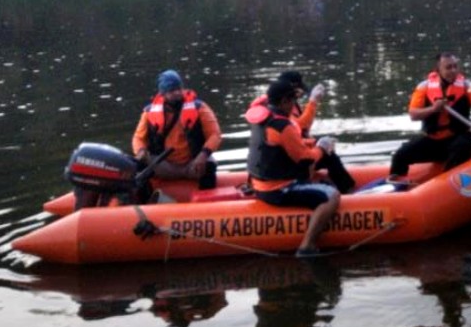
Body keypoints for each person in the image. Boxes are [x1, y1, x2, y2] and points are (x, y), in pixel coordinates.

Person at [244, 74, 345, 257]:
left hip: (259, 185)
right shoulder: (282, 126)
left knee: (321, 181)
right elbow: (306, 159)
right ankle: (307, 246)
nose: (294, 105)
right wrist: (322, 147)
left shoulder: (265, 118)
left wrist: (312, 144)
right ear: (284, 101)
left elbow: (284, 147)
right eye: (292, 100)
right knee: (332, 195)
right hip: (277, 189)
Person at [246, 70, 354, 193]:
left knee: (323, 149)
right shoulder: (280, 121)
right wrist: (321, 147)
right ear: (286, 98)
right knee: (328, 156)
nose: (299, 95)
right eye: (295, 94)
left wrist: (313, 143)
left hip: (270, 169)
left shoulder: (270, 110)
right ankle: (348, 193)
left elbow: (295, 133)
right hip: (280, 177)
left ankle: (344, 188)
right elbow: (302, 146)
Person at [388, 52, 471, 181]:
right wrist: (433, 109)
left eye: (455, 66)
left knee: (461, 147)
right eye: (448, 67)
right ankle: (397, 185)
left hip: (458, 137)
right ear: (438, 69)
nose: (453, 71)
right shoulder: (424, 87)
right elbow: (413, 114)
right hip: (433, 140)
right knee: (400, 155)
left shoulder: (466, 86)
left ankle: (447, 184)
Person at [132, 69, 222, 189]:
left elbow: (215, 135)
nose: (177, 93)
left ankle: (207, 202)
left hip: (193, 163)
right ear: (163, 94)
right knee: (138, 164)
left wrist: (203, 155)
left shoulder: (199, 107)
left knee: (210, 164)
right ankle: (144, 202)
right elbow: (138, 138)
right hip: (163, 165)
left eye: (179, 89)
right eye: (172, 90)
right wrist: (141, 151)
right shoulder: (149, 112)